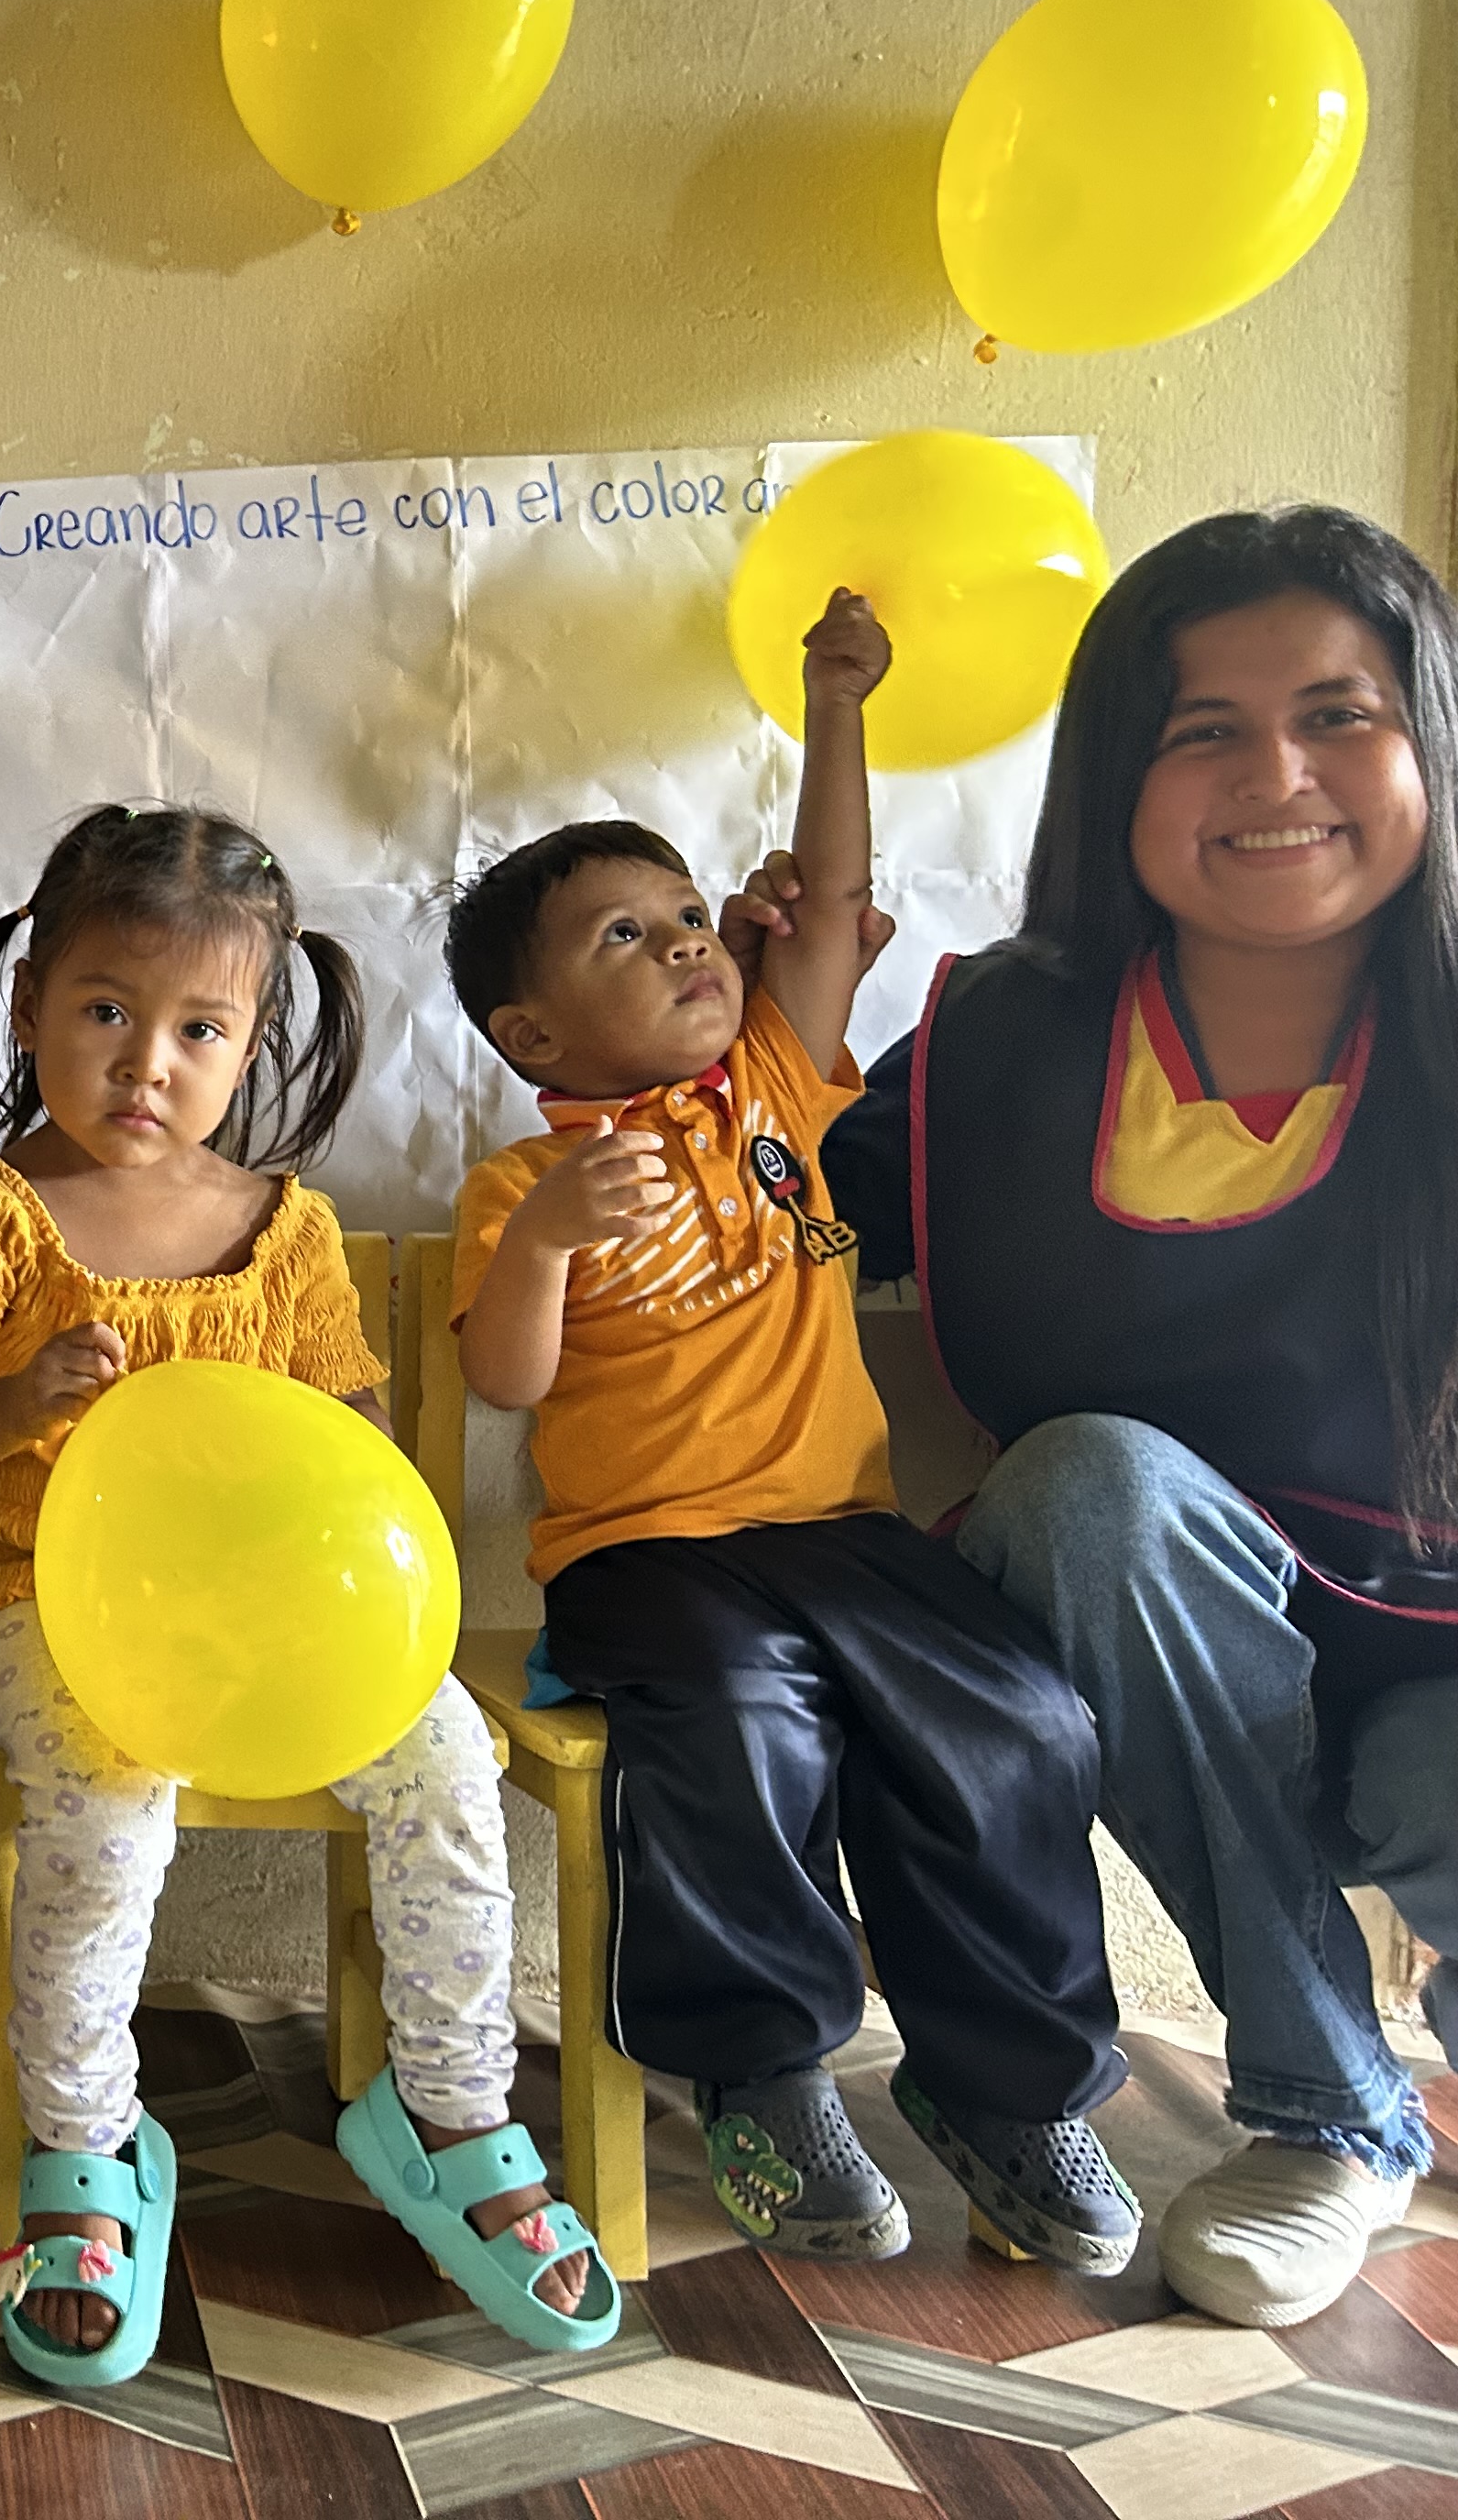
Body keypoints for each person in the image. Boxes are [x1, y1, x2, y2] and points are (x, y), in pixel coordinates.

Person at [764, 506, 1458, 2328]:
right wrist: (719, 1030)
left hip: (1441, 1642)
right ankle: (1330, 2114)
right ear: (1115, 782)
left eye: (1338, 715)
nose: (1276, 776)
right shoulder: (1006, 1038)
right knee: (1089, 1490)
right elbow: (785, 1200)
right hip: (1151, 1639)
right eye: (1203, 729)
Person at [0, 805, 616, 2382]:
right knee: (106, 1800)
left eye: (198, 1030)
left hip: (272, 1619)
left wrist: (311, 1479)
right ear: (31, 1006)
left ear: (253, 1041)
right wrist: (13, 1402)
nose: (147, 1063)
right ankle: (85, 2145)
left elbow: (350, 1437)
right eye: (106, 1011)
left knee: (449, 1759)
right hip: (38, 1610)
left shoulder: (290, 1233)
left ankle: (449, 2112)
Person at [447, 592, 1136, 2276]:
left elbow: (826, 901)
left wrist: (836, 700)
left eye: (690, 915)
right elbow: (508, 1383)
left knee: (1022, 1718)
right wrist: (547, 1245)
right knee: (744, 1723)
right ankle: (759, 2075)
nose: (689, 943)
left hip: (846, 1534)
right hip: (648, 1561)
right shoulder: (522, 1183)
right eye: (626, 936)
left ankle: (1008, 2089)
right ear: (531, 1037)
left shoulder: (773, 1080)